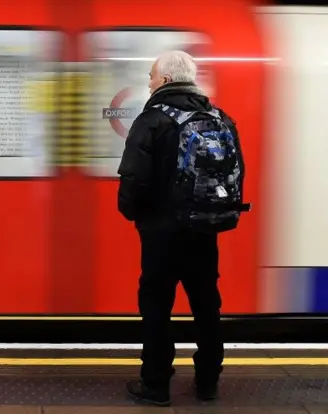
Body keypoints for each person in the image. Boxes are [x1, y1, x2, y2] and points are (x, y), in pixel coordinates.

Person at [117, 50, 248, 406]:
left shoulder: (153, 119)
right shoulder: (219, 117)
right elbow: (236, 173)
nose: (147, 82)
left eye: (150, 76)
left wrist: (132, 213)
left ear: (164, 80)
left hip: (162, 233)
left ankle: (156, 384)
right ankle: (208, 381)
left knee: (157, 305)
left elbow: (133, 176)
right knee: (207, 304)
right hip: (205, 231)